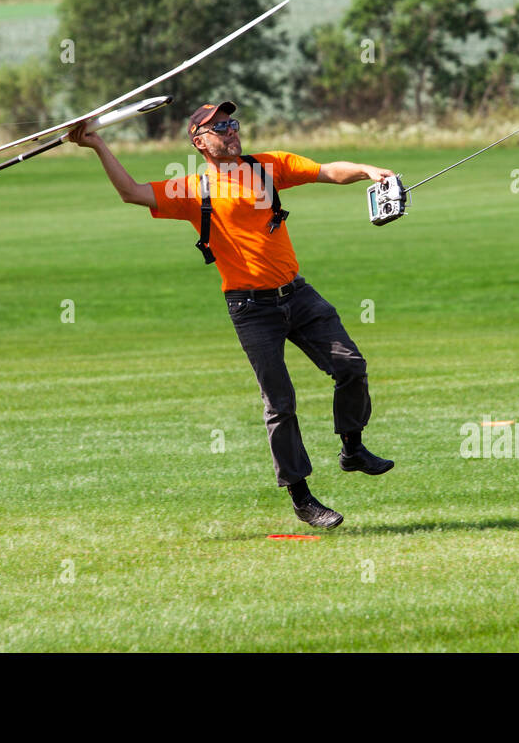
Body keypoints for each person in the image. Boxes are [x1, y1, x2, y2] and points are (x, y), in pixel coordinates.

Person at [67, 99, 395, 529]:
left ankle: (352, 449)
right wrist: (96, 145)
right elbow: (132, 192)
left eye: (232, 123)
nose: (230, 131)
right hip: (250, 308)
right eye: (219, 128)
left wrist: (369, 171)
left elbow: (326, 170)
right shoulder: (192, 190)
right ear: (199, 141)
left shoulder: (267, 168)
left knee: (351, 366)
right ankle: (303, 498)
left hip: (298, 295)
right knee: (280, 402)